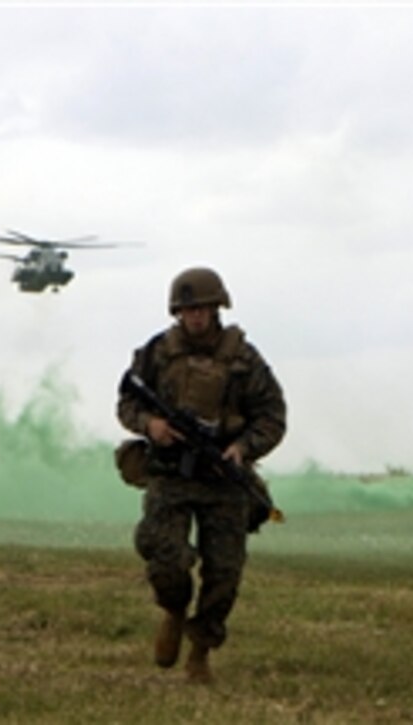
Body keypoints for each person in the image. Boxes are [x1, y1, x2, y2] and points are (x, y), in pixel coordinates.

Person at [116, 267, 286, 684]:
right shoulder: (157, 353)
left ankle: (200, 650)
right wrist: (150, 426)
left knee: (225, 573)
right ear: (178, 311)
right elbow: (127, 402)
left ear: (216, 308)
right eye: (188, 309)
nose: (196, 316)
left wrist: (242, 448)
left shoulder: (244, 359)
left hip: (223, 478)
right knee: (165, 556)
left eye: (203, 308)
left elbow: (273, 417)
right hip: (171, 474)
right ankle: (174, 611)